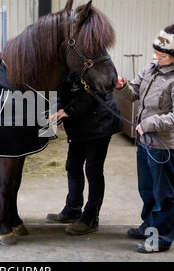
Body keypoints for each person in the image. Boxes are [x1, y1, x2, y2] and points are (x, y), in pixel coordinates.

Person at [115, 24, 174, 253]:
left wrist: (149, 123)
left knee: (163, 194)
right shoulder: (152, 68)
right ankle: (149, 226)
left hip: (162, 146)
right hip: (145, 143)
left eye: (162, 55)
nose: (156, 57)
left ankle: (161, 238)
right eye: (156, 52)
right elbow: (133, 91)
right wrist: (121, 86)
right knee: (146, 189)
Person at [46, 70, 123, 235]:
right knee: (73, 166)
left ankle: (91, 218)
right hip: (79, 124)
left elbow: (95, 95)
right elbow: (60, 92)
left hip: (100, 123)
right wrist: (57, 109)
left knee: (93, 170)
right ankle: (73, 209)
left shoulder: (93, 64)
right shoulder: (66, 64)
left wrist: (68, 110)